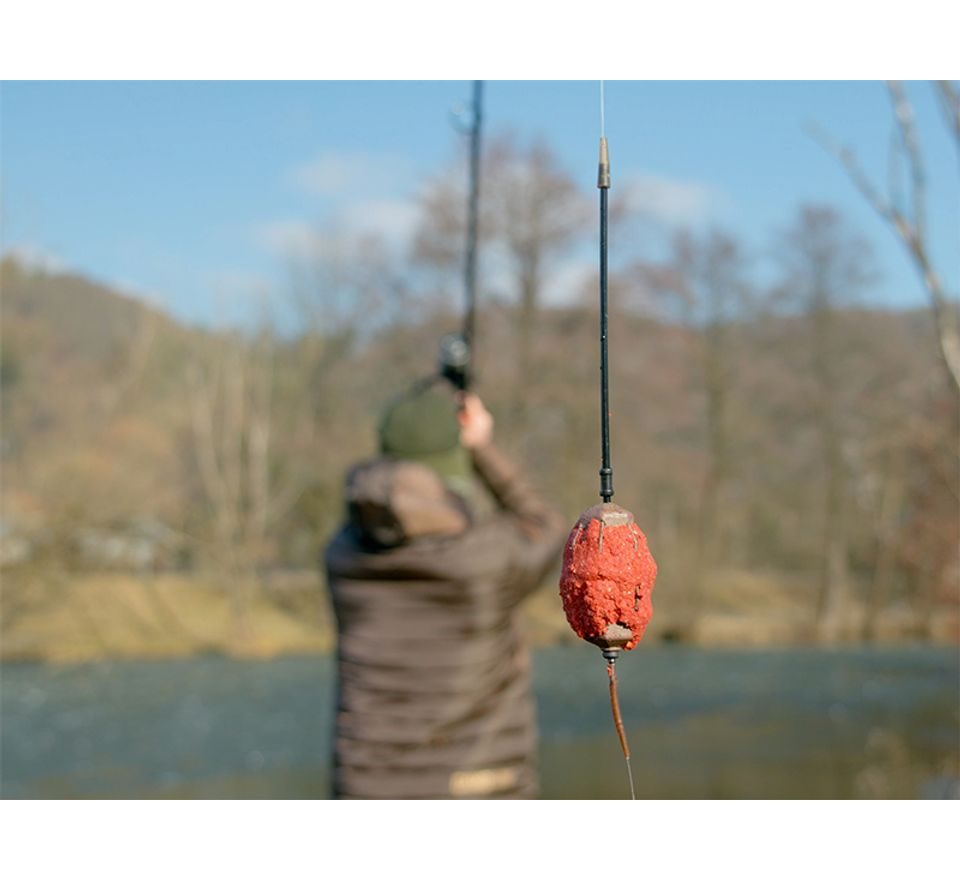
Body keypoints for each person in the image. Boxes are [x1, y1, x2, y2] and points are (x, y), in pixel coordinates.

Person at [324, 377, 566, 799]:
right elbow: (546, 526)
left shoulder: (342, 556)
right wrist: (482, 448)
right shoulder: (488, 557)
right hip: (480, 788)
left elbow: (387, 507)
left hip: (367, 788)